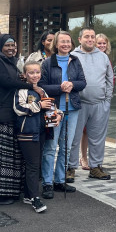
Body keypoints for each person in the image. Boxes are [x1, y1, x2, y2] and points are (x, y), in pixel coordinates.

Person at [0, 34, 32, 204]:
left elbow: (12, 79)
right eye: (8, 46)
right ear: (0, 46)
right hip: (0, 115)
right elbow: (6, 81)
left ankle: (7, 190)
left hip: (9, 113)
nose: (11, 49)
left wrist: (21, 79)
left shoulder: (9, 61)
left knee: (9, 155)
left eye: (14, 46)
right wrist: (31, 86)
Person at [39, 30, 86, 199]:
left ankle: (60, 180)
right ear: (56, 44)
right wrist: (60, 87)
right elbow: (42, 86)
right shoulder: (47, 63)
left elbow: (82, 82)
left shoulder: (75, 60)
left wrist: (72, 85)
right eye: (62, 42)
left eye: (68, 41)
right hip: (54, 108)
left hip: (72, 108)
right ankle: (47, 183)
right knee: (51, 147)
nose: (66, 44)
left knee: (66, 147)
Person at [14, 60, 62, 213]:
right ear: (25, 75)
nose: (35, 75)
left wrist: (58, 114)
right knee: (33, 165)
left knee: (36, 164)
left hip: (41, 131)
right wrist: (38, 106)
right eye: (31, 72)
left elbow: (51, 106)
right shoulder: (21, 90)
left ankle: (29, 195)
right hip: (27, 132)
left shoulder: (41, 90)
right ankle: (34, 198)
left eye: (37, 72)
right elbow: (18, 108)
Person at [69, 28, 113, 181]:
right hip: (78, 104)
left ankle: (95, 167)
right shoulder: (73, 56)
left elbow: (109, 80)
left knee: (97, 138)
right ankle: (70, 168)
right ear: (80, 39)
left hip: (99, 104)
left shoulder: (103, 57)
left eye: (92, 37)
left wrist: (107, 101)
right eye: (86, 37)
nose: (90, 39)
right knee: (74, 137)